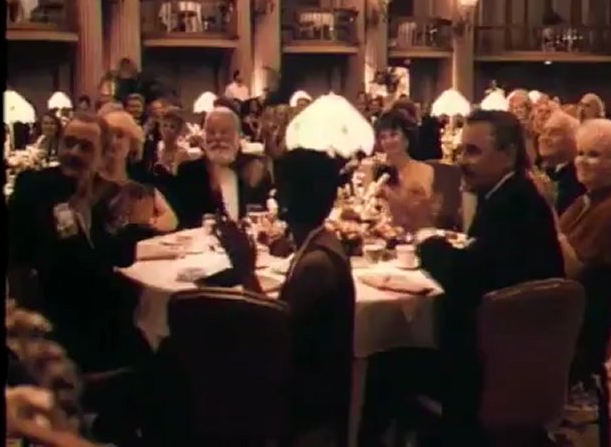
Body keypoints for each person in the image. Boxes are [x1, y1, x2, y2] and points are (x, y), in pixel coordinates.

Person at [359, 110, 565, 447]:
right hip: (521, 356)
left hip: (490, 368)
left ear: (508, 154)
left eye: (473, 151)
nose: (461, 162)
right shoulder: (512, 194)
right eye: (461, 151)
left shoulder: (512, 205)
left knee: (381, 363)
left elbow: (464, 280)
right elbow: (481, 265)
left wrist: (425, 234)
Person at [219, 148, 355, 446]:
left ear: (291, 200)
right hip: (304, 391)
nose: (275, 194)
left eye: (280, 188)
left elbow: (271, 336)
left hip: (304, 408)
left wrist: (245, 271)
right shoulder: (321, 241)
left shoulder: (316, 266)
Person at [7, 112, 153, 373]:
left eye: (85, 147)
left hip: (102, 315)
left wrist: (134, 227)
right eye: (69, 143)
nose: (73, 152)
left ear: (103, 155)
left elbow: (121, 257)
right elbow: (19, 255)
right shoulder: (34, 187)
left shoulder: (111, 194)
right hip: (53, 315)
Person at [556, 119, 611, 386]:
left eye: (594, 155)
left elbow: (575, 271)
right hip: (563, 306)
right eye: (580, 153)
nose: (582, 161)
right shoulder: (583, 200)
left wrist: (546, 214)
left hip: (579, 327)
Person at [173, 106, 272, 228]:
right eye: (211, 132)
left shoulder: (256, 169)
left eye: (224, 132)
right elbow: (182, 224)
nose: (217, 137)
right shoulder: (189, 173)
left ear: (239, 136)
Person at [102, 110, 178, 233]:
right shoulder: (90, 183)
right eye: (107, 135)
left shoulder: (142, 184)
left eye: (120, 136)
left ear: (131, 143)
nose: (112, 141)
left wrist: (151, 223)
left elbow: (172, 222)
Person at [375, 111, 435, 232]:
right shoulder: (379, 172)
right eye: (383, 137)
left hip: (418, 234)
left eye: (393, 135)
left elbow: (421, 215)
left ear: (406, 138)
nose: (388, 141)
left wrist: (392, 196)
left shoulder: (424, 171)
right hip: (386, 235)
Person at [538, 110, 585, 215]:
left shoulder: (579, 178)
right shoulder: (546, 171)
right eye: (543, 132)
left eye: (554, 133)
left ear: (574, 140)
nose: (544, 138)